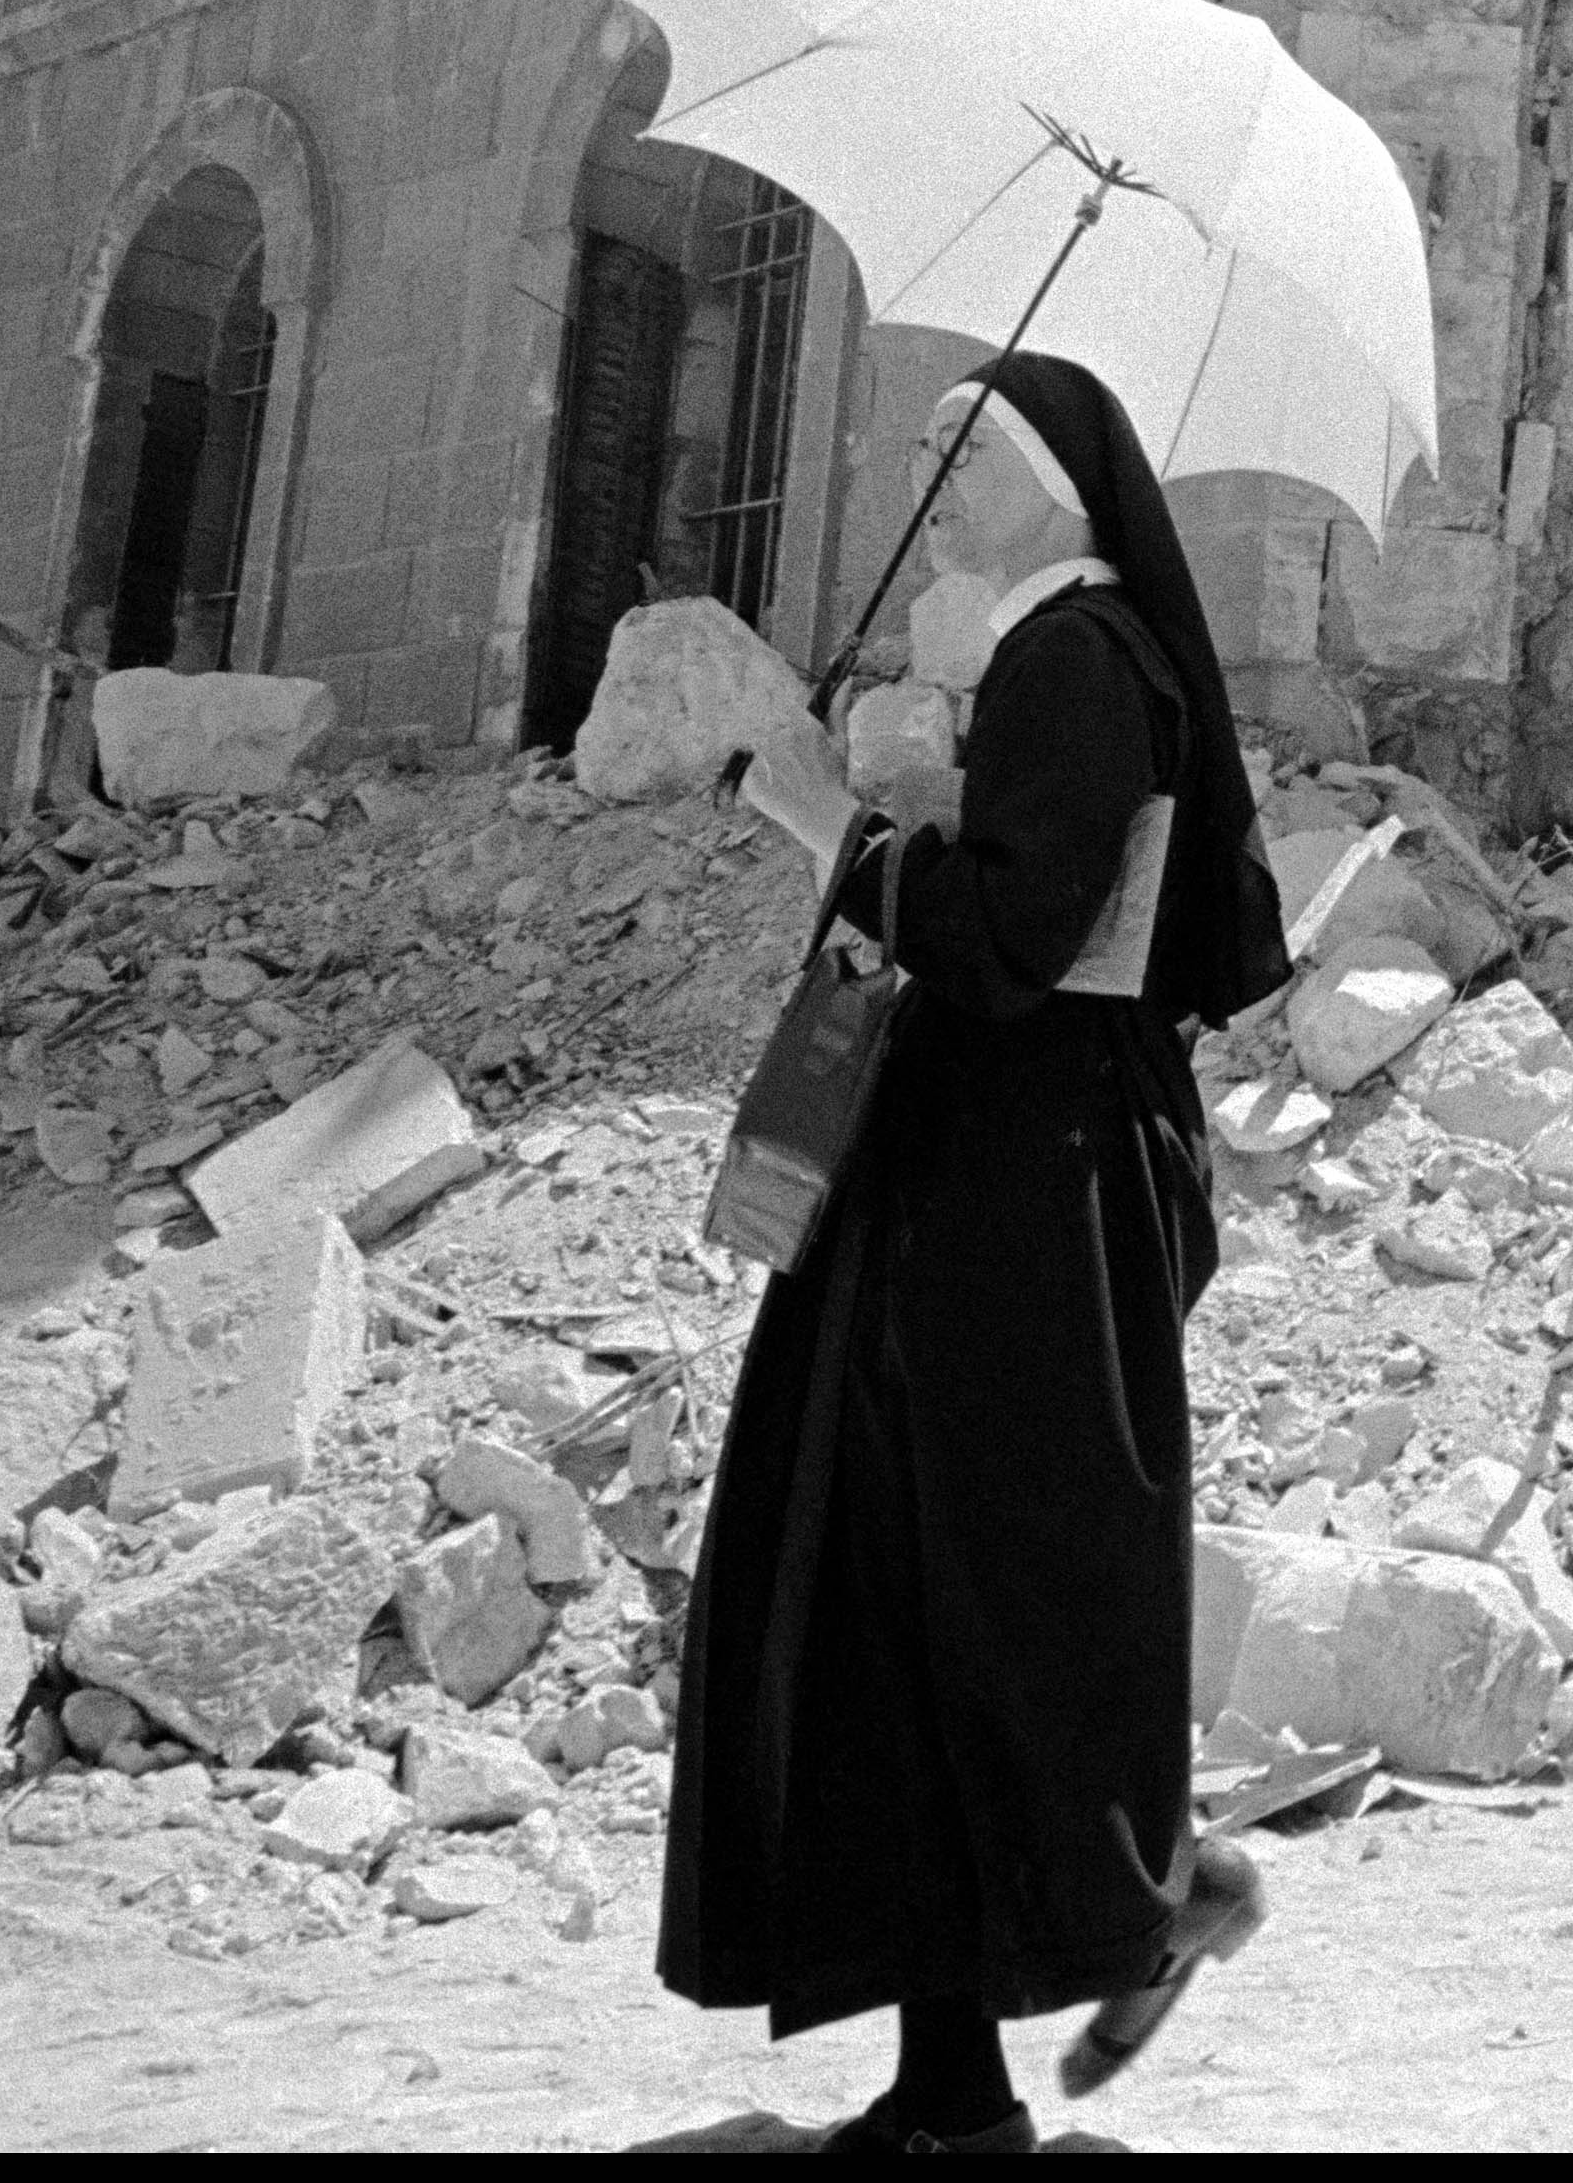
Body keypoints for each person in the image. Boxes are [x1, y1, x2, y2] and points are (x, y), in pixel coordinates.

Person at [658, 353, 1293, 2152]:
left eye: (963, 454)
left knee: (965, 1593)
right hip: (986, 1180)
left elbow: (1014, 943)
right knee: (919, 1595)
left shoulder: (1079, 658)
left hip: (1024, 1195)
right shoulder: (1049, 659)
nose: (928, 481)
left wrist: (830, 823)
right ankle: (971, 2066)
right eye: (925, 452)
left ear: (1055, 483)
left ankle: (1136, 1902)